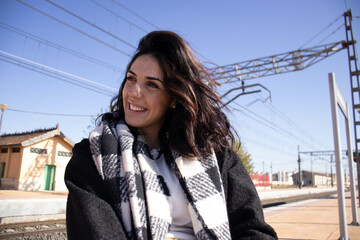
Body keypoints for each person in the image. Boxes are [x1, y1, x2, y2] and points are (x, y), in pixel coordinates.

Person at [65, 30, 278, 240]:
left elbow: (254, 230)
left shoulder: (217, 157)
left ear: (175, 97)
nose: (133, 92)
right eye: (131, 79)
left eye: (152, 84)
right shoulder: (93, 155)